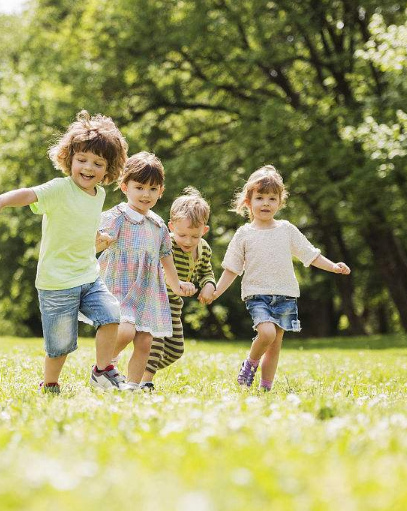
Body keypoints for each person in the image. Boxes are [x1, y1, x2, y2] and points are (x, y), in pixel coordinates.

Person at [0, 111, 130, 393]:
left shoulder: (98, 195)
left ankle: (102, 371)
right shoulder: (59, 189)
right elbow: (28, 194)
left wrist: (96, 238)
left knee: (111, 314)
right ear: (69, 158)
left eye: (98, 163)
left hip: (88, 276)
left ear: (108, 169)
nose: (88, 168)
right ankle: (50, 384)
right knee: (59, 346)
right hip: (56, 283)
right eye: (82, 160)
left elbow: (80, 223)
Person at [212, 166, 351, 391]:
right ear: (248, 202)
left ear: (280, 202)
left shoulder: (286, 229)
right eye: (260, 198)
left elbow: (310, 254)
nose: (266, 203)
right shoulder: (244, 234)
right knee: (266, 333)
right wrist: (216, 291)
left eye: (272, 198)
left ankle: (265, 387)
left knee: (275, 345)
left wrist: (333, 266)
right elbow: (232, 268)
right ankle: (250, 364)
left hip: (285, 295)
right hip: (257, 295)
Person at [96, 153, 196, 390]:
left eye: (152, 189)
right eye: (139, 187)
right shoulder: (118, 217)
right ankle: (103, 366)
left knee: (145, 342)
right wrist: (100, 242)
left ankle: (132, 385)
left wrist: (176, 285)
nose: (146, 194)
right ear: (125, 187)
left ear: (161, 191)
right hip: (120, 285)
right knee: (125, 331)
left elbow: (166, 258)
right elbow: (95, 242)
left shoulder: (158, 225)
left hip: (148, 291)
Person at [140, 187, 215, 391]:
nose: (188, 241)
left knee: (175, 350)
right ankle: (144, 381)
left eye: (195, 236)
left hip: (174, 304)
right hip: (156, 299)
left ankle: (138, 368)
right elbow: (155, 269)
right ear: (171, 227)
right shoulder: (167, 244)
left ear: (204, 231)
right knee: (156, 342)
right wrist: (177, 283)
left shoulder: (204, 249)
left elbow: (206, 272)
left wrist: (208, 285)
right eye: (182, 235)